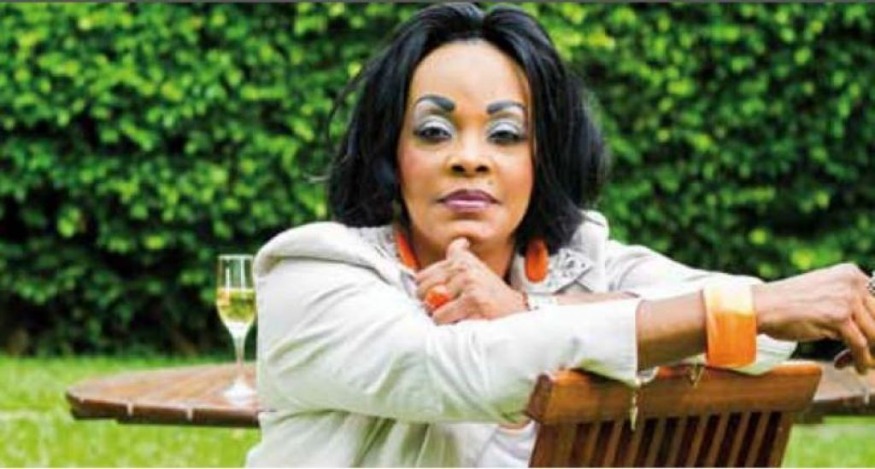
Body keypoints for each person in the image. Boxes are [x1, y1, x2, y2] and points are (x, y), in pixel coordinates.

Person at [246, 3, 875, 466]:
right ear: (391, 152)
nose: (470, 158)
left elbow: (764, 343)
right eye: (434, 131)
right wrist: (745, 307)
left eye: (505, 134)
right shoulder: (314, 272)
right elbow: (455, 367)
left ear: (540, 158)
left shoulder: (583, 263)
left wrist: (526, 307)